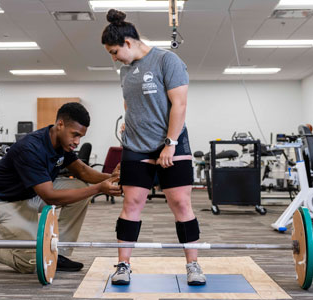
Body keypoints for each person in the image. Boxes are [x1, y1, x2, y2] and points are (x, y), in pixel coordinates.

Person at [101, 9, 206, 286]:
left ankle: (193, 265)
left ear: (127, 42)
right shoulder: (125, 71)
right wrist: (128, 120)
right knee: (131, 203)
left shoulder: (166, 60)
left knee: (181, 203)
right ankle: (123, 265)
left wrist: (170, 144)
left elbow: (180, 105)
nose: (113, 58)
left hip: (171, 142)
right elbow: (129, 102)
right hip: (136, 146)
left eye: (113, 51)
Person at [0, 102, 121, 274]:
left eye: (80, 136)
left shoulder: (61, 143)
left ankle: (58, 254)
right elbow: (49, 196)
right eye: (75, 135)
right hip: (3, 203)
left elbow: (81, 170)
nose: (77, 142)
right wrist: (98, 189)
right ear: (60, 125)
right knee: (30, 262)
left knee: (79, 187)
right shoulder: (31, 148)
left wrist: (113, 178)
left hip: (30, 196)